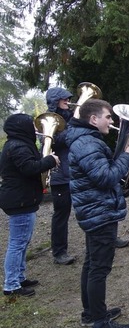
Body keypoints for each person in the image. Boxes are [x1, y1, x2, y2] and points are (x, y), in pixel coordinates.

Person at [66, 99, 129, 327]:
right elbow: (105, 178)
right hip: (99, 213)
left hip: (96, 210)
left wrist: (128, 181)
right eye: (108, 117)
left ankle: (91, 314)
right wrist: (127, 155)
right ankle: (99, 321)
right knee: (99, 268)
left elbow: (107, 177)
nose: (112, 121)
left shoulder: (87, 141)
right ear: (93, 119)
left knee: (91, 264)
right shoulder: (88, 143)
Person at [1, 114, 59, 297]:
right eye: (31, 126)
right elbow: (29, 168)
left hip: (22, 198)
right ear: (22, 128)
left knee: (22, 242)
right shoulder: (18, 146)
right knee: (17, 243)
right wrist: (50, 160)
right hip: (20, 200)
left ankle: (19, 276)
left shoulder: (17, 144)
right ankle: (11, 285)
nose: (35, 130)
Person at [45, 87, 77, 265]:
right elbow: (49, 141)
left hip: (76, 170)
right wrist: (72, 127)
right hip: (60, 175)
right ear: (54, 101)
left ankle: (106, 239)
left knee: (90, 206)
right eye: (64, 98)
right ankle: (59, 252)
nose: (68, 100)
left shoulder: (72, 117)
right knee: (61, 214)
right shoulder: (47, 120)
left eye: (68, 97)